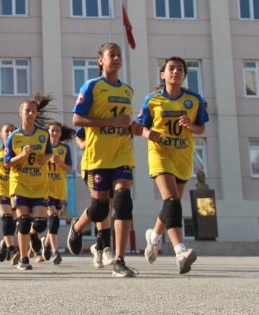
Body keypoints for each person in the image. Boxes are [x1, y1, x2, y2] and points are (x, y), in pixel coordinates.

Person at [67, 43, 143, 277]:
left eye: (120, 55)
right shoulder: (91, 87)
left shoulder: (127, 91)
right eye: (112, 55)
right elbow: (77, 119)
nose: (117, 58)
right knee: (100, 210)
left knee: (122, 203)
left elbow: (125, 123)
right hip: (98, 157)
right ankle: (78, 227)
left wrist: (133, 128)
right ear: (101, 60)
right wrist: (111, 123)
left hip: (122, 155)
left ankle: (119, 259)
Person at [138, 57, 208, 274]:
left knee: (171, 205)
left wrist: (191, 125)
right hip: (160, 154)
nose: (175, 71)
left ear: (184, 75)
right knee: (172, 201)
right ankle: (180, 251)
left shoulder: (194, 100)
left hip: (182, 157)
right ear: (163, 74)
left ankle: (154, 237)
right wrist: (150, 134)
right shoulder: (152, 100)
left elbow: (201, 129)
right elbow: (140, 128)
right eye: (171, 68)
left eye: (180, 69)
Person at [3, 94, 54, 270]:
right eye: (27, 110)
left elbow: (50, 153)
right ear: (21, 113)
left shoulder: (43, 134)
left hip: (39, 183)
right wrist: (22, 155)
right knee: (23, 221)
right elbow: (7, 162)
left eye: (33, 111)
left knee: (40, 222)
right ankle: (24, 258)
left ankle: (34, 235)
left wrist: (45, 158)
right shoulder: (15, 137)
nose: (31, 113)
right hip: (20, 183)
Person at [75, 127, 114, 269]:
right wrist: (81, 143)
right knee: (101, 206)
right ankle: (106, 248)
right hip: (95, 164)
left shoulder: (122, 109)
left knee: (109, 207)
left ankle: (98, 248)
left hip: (115, 164)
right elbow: (79, 134)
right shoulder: (97, 110)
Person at [43, 121, 75, 265]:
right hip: (46, 188)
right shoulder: (44, 148)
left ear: (60, 134)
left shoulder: (64, 149)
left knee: (55, 221)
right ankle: (55, 252)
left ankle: (47, 243)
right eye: (52, 130)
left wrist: (58, 162)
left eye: (57, 131)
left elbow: (69, 168)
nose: (54, 133)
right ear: (48, 132)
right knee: (54, 218)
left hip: (60, 188)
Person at [0, 123, 19, 264]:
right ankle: (12, 250)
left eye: (12, 131)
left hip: (15, 188)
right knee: (6, 218)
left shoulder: (19, 150)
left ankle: (4, 245)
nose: (9, 133)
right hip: (1, 187)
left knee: (14, 222)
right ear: (1, 134)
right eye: (7, 131)